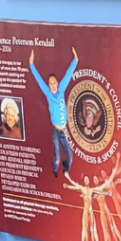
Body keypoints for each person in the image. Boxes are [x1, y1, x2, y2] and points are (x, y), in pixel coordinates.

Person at [30, 46, 78, 177]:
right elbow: (39, 80)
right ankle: (55, 169)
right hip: (56, 132)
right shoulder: (48, 93)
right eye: (50, 83)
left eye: (54, 83)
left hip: (64, 130)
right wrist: (31, 65)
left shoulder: (61, 89)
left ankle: (66, 168)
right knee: (57, 157)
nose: (52, 85)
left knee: (70, 157)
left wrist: (75, 60)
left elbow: (68, 74)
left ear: (57, 83)